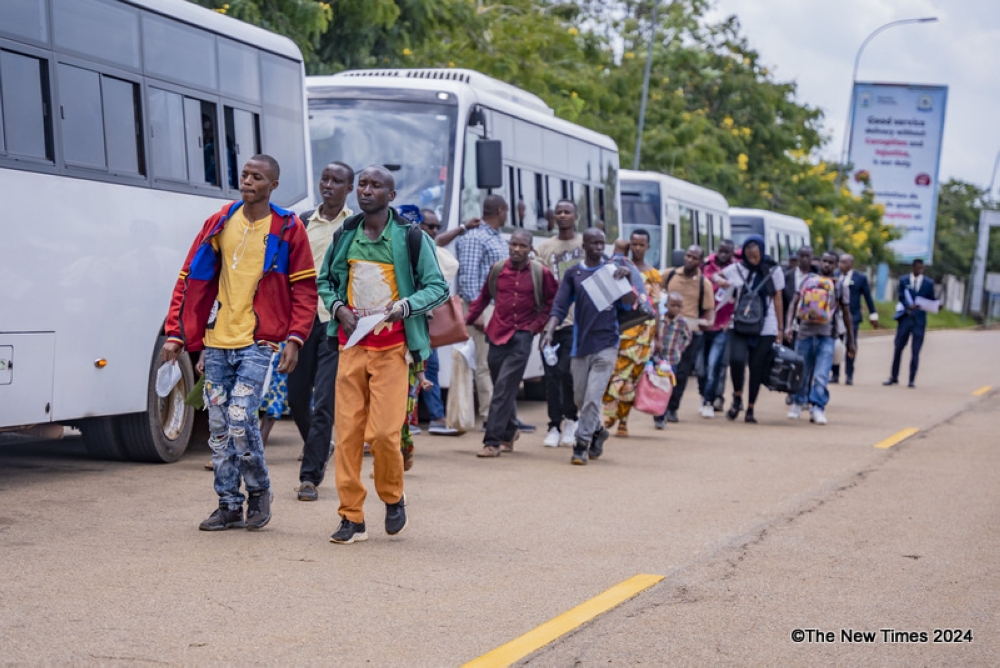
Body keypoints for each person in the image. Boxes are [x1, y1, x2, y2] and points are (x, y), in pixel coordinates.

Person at [162, 154, 317, 531]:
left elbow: (305, 289)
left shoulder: (287, 227)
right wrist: (176, 333)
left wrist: (295, 339)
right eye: (245, 175)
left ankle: (259, 490)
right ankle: (228, 503)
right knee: (217, 425)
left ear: (273, 185)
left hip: (259, 341)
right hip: (217, 341)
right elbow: (189, 279)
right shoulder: (219, 222)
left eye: (257, 177)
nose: (247, 181)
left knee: (239, 417)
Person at [318, 165, 448, 544]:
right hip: (351, 347)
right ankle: (351, 517)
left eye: (376, 185)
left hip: (393, 349)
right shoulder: (346, 234)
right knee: (347, 436)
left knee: (385, 435)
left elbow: (437, 286)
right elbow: (325, 280)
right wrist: (339, 307)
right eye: (363, 184)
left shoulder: (410, 237)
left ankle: (393, 496)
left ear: (391, 196)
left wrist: (404, 307)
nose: (367, 191)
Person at [288, 161, 354, 502]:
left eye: (337, 181)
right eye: (325, 179)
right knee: (296, 397)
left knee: (325, 398)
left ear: (349, 188)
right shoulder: (300, 223)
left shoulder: (355, 225)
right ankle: (320, 445)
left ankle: (309, 477)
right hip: (301, 320)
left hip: (336, 321)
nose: (328, 185)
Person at [541, 228, 635, 465]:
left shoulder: (613, 272)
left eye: (602, 243)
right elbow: (560, 306)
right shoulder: (574, 273)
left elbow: (629, 304)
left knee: (593, 397)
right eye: (593, 243)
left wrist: (628, 280)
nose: (599, 247)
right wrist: (549, 331)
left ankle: (581, 445)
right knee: (580, 398)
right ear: (584, 246)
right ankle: (598, 432)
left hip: (607, 344)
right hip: (580, 346)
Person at [467, 230, 558, 457]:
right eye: (513, 245)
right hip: (497, 333)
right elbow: (483, 298)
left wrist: (535, 327)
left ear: (530, 249)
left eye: (522, 246)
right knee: (501, 387)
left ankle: (492, 442)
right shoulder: (498, 269)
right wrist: (465, 321)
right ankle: (510, 432)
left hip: (522, 337)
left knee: (504, 388)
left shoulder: (541, 273)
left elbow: (552, 302)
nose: (517, 249)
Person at [713, 235, 785, 424]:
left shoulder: (774, 270)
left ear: (762, 252)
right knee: (736, 360)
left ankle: (751, 407)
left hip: (766, 326)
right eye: (749, 256)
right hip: (741, 323)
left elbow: (778, 297)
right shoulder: (738, 268)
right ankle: (737, 397)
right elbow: (716, 274)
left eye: (756, 256)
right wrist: (721, 282)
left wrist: (780, 328)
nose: (752, 260)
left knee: (756, 367)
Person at [535, 200, 585, 447]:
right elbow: (538, 285)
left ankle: (571, 420)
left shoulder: (585, 245)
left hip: (578, 322)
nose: (563, 215)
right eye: (559, 212)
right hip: (551, 323)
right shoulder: (544, 248)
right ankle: (554, 425)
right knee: (551, 376)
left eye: (567, 212)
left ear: (576, 216)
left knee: (567, 373)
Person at [603, 229, 661, 437]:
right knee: (616, 372)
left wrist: (658, 337)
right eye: (633, 244)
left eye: (641, 244)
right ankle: (609, 413)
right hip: (623, 330)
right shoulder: (618, 268)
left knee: (632, 378)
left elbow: (655, 308)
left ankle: (623, 421)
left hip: (644, 333)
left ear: (648, 247)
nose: (637, 248)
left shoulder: (653, 274)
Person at [786, 252, 855, 425]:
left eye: (831, 262)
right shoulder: (807, 280)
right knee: (801, 371)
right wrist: (788, 326)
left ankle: (817, 407)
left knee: (821, 375)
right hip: (804, 333)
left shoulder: (839, 286)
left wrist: (851, 341)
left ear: (836, 265)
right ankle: (798, 402)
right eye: (824, 261)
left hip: (827, 336)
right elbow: (794, 303)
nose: (827, 265)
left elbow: (846, 314)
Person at [656, 245, 715, 427]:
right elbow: (653, 289)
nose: (689, 260)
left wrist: (707, 323)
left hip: (689, 333)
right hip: (666, 330)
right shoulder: (670, 274)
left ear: (701, 261)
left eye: (694, 257)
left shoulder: (704, 283)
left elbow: (710, 312)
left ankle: (673, 408)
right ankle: (660, 409)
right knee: (662, 371)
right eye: (688, 256)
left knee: (681, 373)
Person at [417, 208, 460, 435]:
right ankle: (410, 421)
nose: (434, 231)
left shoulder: (431, 249)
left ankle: (436, 417)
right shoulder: (411, 247)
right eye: (429, 226)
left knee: (429, 367)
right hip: (407, 319)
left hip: (424, 319)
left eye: (436, 227)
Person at [699, 239, 736, 418]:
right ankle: (704, 394)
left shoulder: (735, 270)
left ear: (731, 253)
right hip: (702, 323)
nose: (723, 255)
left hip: (722, 325)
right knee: (700, 367)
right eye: (720, 251)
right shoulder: (706, 264)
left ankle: (711, 400)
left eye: (726, 252)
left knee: (716, 364)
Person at [885, 259, 935, 388]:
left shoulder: (928, 283)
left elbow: (931, 299)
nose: (920, 271)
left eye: (922, 268)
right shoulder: (904, 280)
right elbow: (901, 296)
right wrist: (909, 305)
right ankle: (893, 376)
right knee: (898, 348)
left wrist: (936, 305)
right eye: (918, 268)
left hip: (919, 321)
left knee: (915, 351)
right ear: (913, 267)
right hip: (905, 318)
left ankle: (912, 379)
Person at [833, 254, 878, 385]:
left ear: (851, 264)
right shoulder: (835, 275)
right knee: (836, 345)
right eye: (840, 262)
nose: (841, 265)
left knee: (850, 344)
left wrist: (873, 314)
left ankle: (849, 375)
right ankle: (835, 374)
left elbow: (868, 297)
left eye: (844, 262)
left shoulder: (860, 278)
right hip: (836, 317)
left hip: (853, 317)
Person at [782, 246, 814, 346]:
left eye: (807, 256)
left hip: (810, 325)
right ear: (798, 257)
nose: (804, 259)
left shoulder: (817, 276)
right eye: (802, 256)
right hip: (790, 323)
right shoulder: (787, 276)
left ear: (811, 257)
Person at [660, 292, 693, 381]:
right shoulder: (659, 319)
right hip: (658, 357)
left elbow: (688, 337)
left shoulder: (682, 322)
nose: (675, 308)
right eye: (673, 305)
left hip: (672, 359)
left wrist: (680, 348)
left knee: (670, 381)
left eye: (678, 306)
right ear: (666, 305)